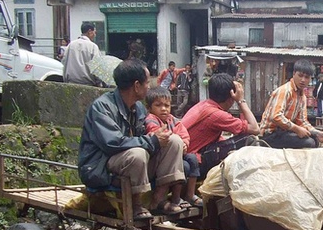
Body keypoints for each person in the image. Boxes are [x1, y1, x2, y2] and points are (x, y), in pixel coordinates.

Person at [78, 59, 186, 220]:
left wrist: (159, 136)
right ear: (136, 86)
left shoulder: (139, 108)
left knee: (174, 141)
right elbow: (113, 143)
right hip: (102, 166)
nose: (149, 86)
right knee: (138, 154)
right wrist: (152, 141)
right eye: (147, 82)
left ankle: (159, 199)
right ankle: (136, 205)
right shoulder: (102, 107)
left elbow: (143, 136)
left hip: (132, 163)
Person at [181, 73, 260, 179]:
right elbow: (255, 128)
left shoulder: (203, 104)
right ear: (231, 97)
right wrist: (241, 100)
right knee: (249, 138)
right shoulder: (217, 115)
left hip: (186, 158)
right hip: (194, 164)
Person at [144, 87, 203, 208]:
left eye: (167, 105)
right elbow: (158, 134)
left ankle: (189, 194)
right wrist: (178, 141)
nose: (164, 109)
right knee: (184, 166)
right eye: (158, 105)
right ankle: (175, 197)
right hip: (160, 157)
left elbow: (184, 134)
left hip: (178, 153)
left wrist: (185, 143)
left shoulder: (173, 120)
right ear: (149, 108)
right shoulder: (151, 120)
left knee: (193, 159)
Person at [260, 59, 323, 148]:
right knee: (309, 143)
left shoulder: (302, 97)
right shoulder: (285, 91)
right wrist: (296, 129)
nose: (303, 80)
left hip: (284, 132)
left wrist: (316, 132)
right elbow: (275, 116)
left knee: (315, 139)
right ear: (294, 74)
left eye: (306, 77)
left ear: (310, 79)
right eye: (300, 76)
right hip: (270, 134)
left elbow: (302, 121)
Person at [62, 22, 102, 87]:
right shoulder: (93, 47)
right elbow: (97, 67)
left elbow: (64, 61)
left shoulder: (71, 45)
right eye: (94, 32)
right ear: (90, 31)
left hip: (70, 84)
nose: (95, 35)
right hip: (88, 85)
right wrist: (99, 83)